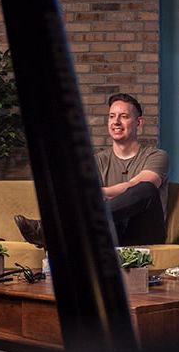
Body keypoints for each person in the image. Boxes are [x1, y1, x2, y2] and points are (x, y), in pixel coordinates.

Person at [15, 93, 169, 247]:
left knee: (146, 188)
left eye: (124, 116)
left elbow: (138, 184)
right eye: (112, 116)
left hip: (145, 232)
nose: (116, 122)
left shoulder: (156, 155)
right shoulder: (96, 162)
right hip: (110, 233)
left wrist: (103, 192)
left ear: (138, 122)